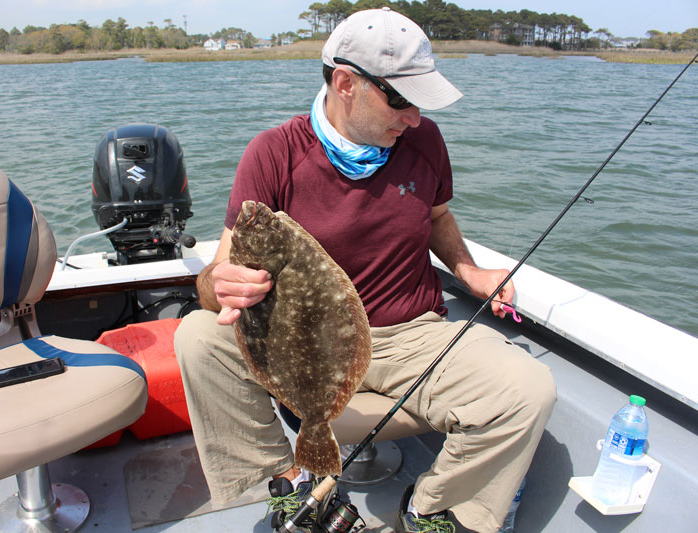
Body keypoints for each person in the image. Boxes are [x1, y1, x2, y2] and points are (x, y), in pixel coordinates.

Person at [174, 7, 556, 533]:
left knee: (528, 388)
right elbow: (220, 277)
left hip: (412, 335)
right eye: (401, 100)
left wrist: (469, 271)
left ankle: (433, 510)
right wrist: (219, 285)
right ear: (346, 82)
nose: (415, 118)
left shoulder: (423, 141)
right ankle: (292, 486)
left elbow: (438, 214)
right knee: (195, 336)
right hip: (306, 341)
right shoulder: (274, 154)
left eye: (420, 101)